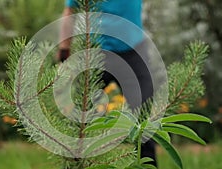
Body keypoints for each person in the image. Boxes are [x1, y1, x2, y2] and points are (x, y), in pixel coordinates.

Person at [57, 0, 156, 166]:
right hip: (98, 54)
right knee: (82, 121)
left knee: (144, 120)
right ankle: (76, 164)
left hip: (134, 52)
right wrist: (64, 49)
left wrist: (64, 49)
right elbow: (70, 12)